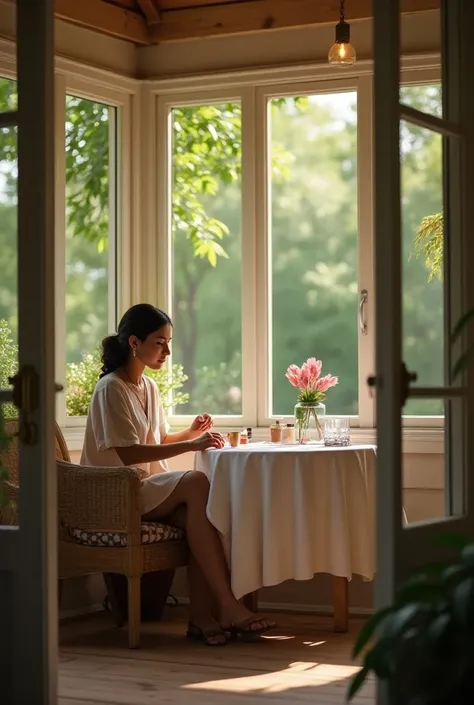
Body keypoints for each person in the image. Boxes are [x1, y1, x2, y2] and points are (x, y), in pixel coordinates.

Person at [81, 303, 276, 646]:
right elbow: (129, 453)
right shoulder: (111, 389)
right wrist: (192, 446)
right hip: (115, 492)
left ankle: (203, 618)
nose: (167, 351)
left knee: (203, 516)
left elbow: (154, 440)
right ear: (134, 343)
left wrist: (188, 433)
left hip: (144, 490)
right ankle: (227, 606)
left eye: (168, 342)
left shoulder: (149, 388)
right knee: (198, 481)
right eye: (160, 342)